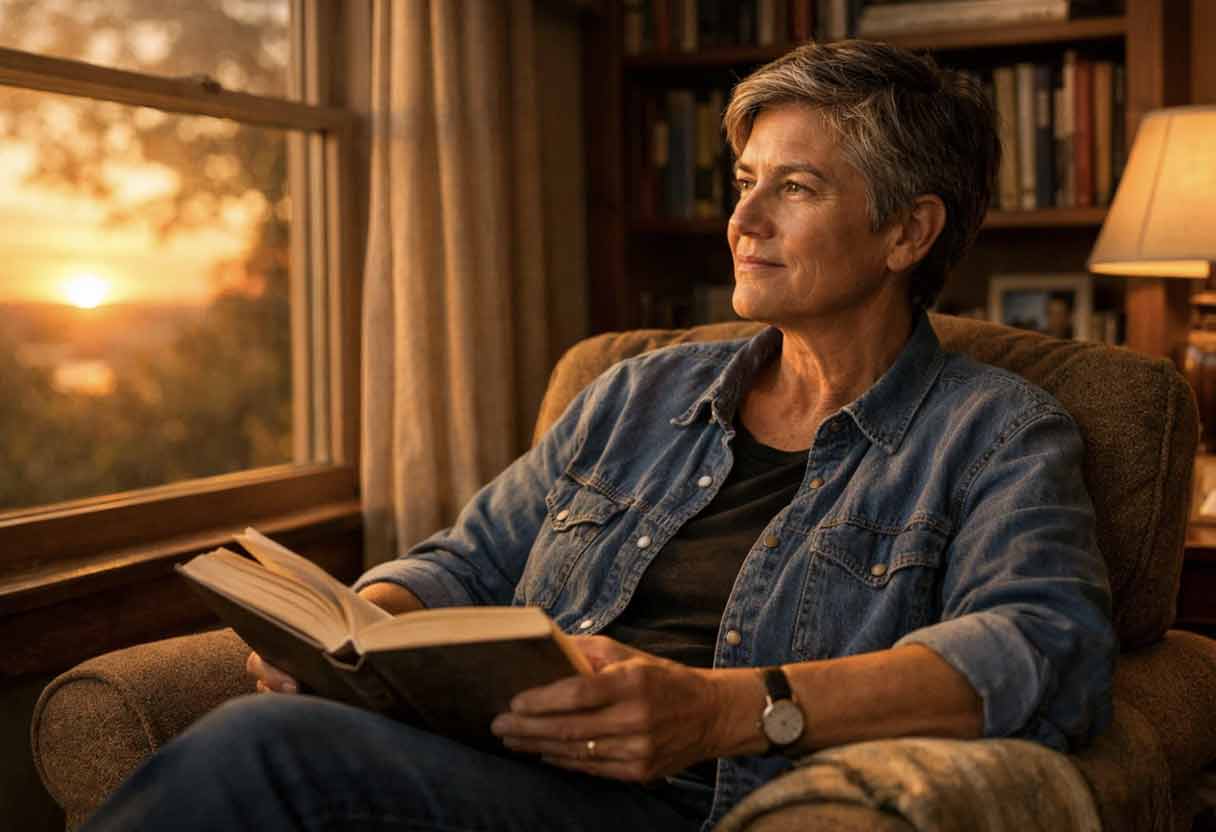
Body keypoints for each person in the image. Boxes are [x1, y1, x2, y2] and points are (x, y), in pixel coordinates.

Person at [82, 39, 1115, 832]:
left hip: (686, 800)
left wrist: (726, 710)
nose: (743, 222)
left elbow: (1040, 648)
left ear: (908, 231)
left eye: (794, 188)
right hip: (506, 762)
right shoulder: (637, 390)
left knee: (267, 752)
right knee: (279, 724)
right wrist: (363, 634)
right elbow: (469, 558)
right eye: (744, 181)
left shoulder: (995, 431)